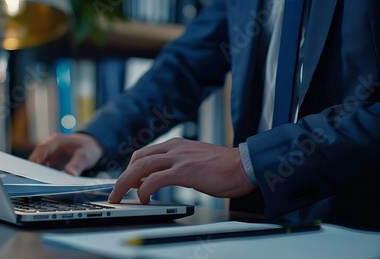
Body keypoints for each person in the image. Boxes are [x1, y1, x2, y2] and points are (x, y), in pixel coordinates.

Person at [29, 0, 380, 230]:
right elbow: (186, 67)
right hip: (254, 228)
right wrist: (96, 137)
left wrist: (251, 161)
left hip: (358, 227)